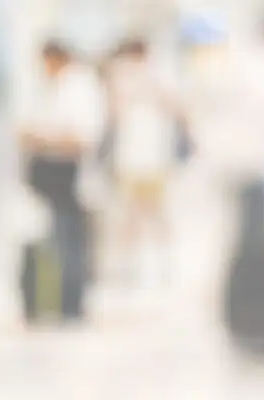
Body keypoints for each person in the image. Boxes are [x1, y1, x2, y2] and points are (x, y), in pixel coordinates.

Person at [18, 40, 105, 323]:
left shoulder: (80, 87)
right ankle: (55, 302)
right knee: (56, 239)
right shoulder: (49, 87)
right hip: (50, 176)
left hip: (71, 176)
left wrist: (44, 139)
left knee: (71, 241)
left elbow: (82, 137)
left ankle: (71, 305)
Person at [102, 37, 185, 288]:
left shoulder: (154, 78)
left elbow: (178, 109)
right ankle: (137, 268)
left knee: (148, 214)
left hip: (148, 158)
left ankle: (156, 266)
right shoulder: (124, 78)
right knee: (135, 215)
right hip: (138, 158)